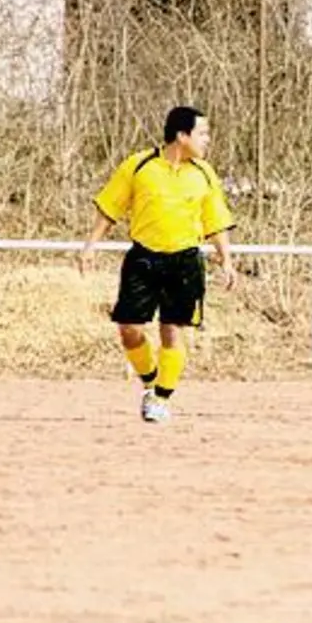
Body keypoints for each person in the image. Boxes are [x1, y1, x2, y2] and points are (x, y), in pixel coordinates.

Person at [79, 106, 238, 424]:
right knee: (129, 330)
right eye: (203, 133)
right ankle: (151, 383)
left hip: (185, 260)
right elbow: (111, 206)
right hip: (143, 258)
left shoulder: (204, 173)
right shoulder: (139, 165)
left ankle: (162, 399)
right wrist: (90, 245)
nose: (208, 140)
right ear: (182, 135)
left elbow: (215, 219)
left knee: (172, 330)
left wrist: (227, 260)